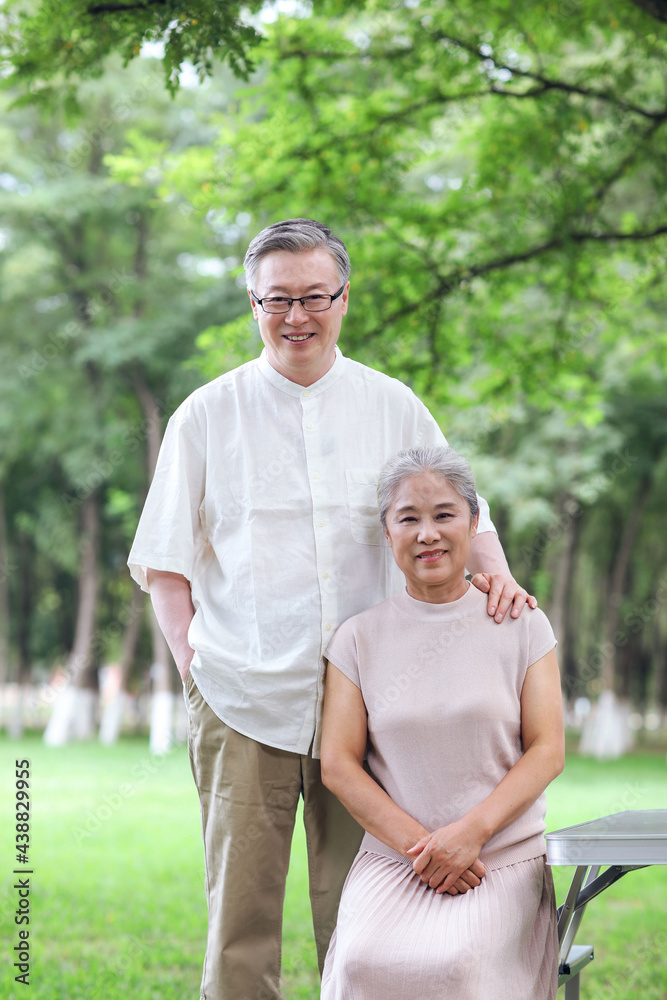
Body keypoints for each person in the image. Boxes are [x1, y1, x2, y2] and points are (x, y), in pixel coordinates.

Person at [127, 219, 537, 1000]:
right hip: (242, 700)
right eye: (277, 300)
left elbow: (463, 517)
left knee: (365, 918)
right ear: (252, 304)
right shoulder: (207, 415)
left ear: (344, 298)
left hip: (376, 707)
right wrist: (196, 672)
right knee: (240, 923)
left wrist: (502, 582)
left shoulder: (392, 405)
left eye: (314, 296)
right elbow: (165, 565)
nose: (296, 317)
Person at [320, 445, 564, 1000]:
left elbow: (547, 750)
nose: (427, 533)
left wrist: (470, 836)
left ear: (474, 523)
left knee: (458, 967)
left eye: (444, 515)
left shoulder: (522, 623)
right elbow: (338, 762)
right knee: (361, 963)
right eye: (408, 518)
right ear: (388, 534)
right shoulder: (357, 640)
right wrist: (426, 850)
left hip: (498, 859)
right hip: (397, 861)